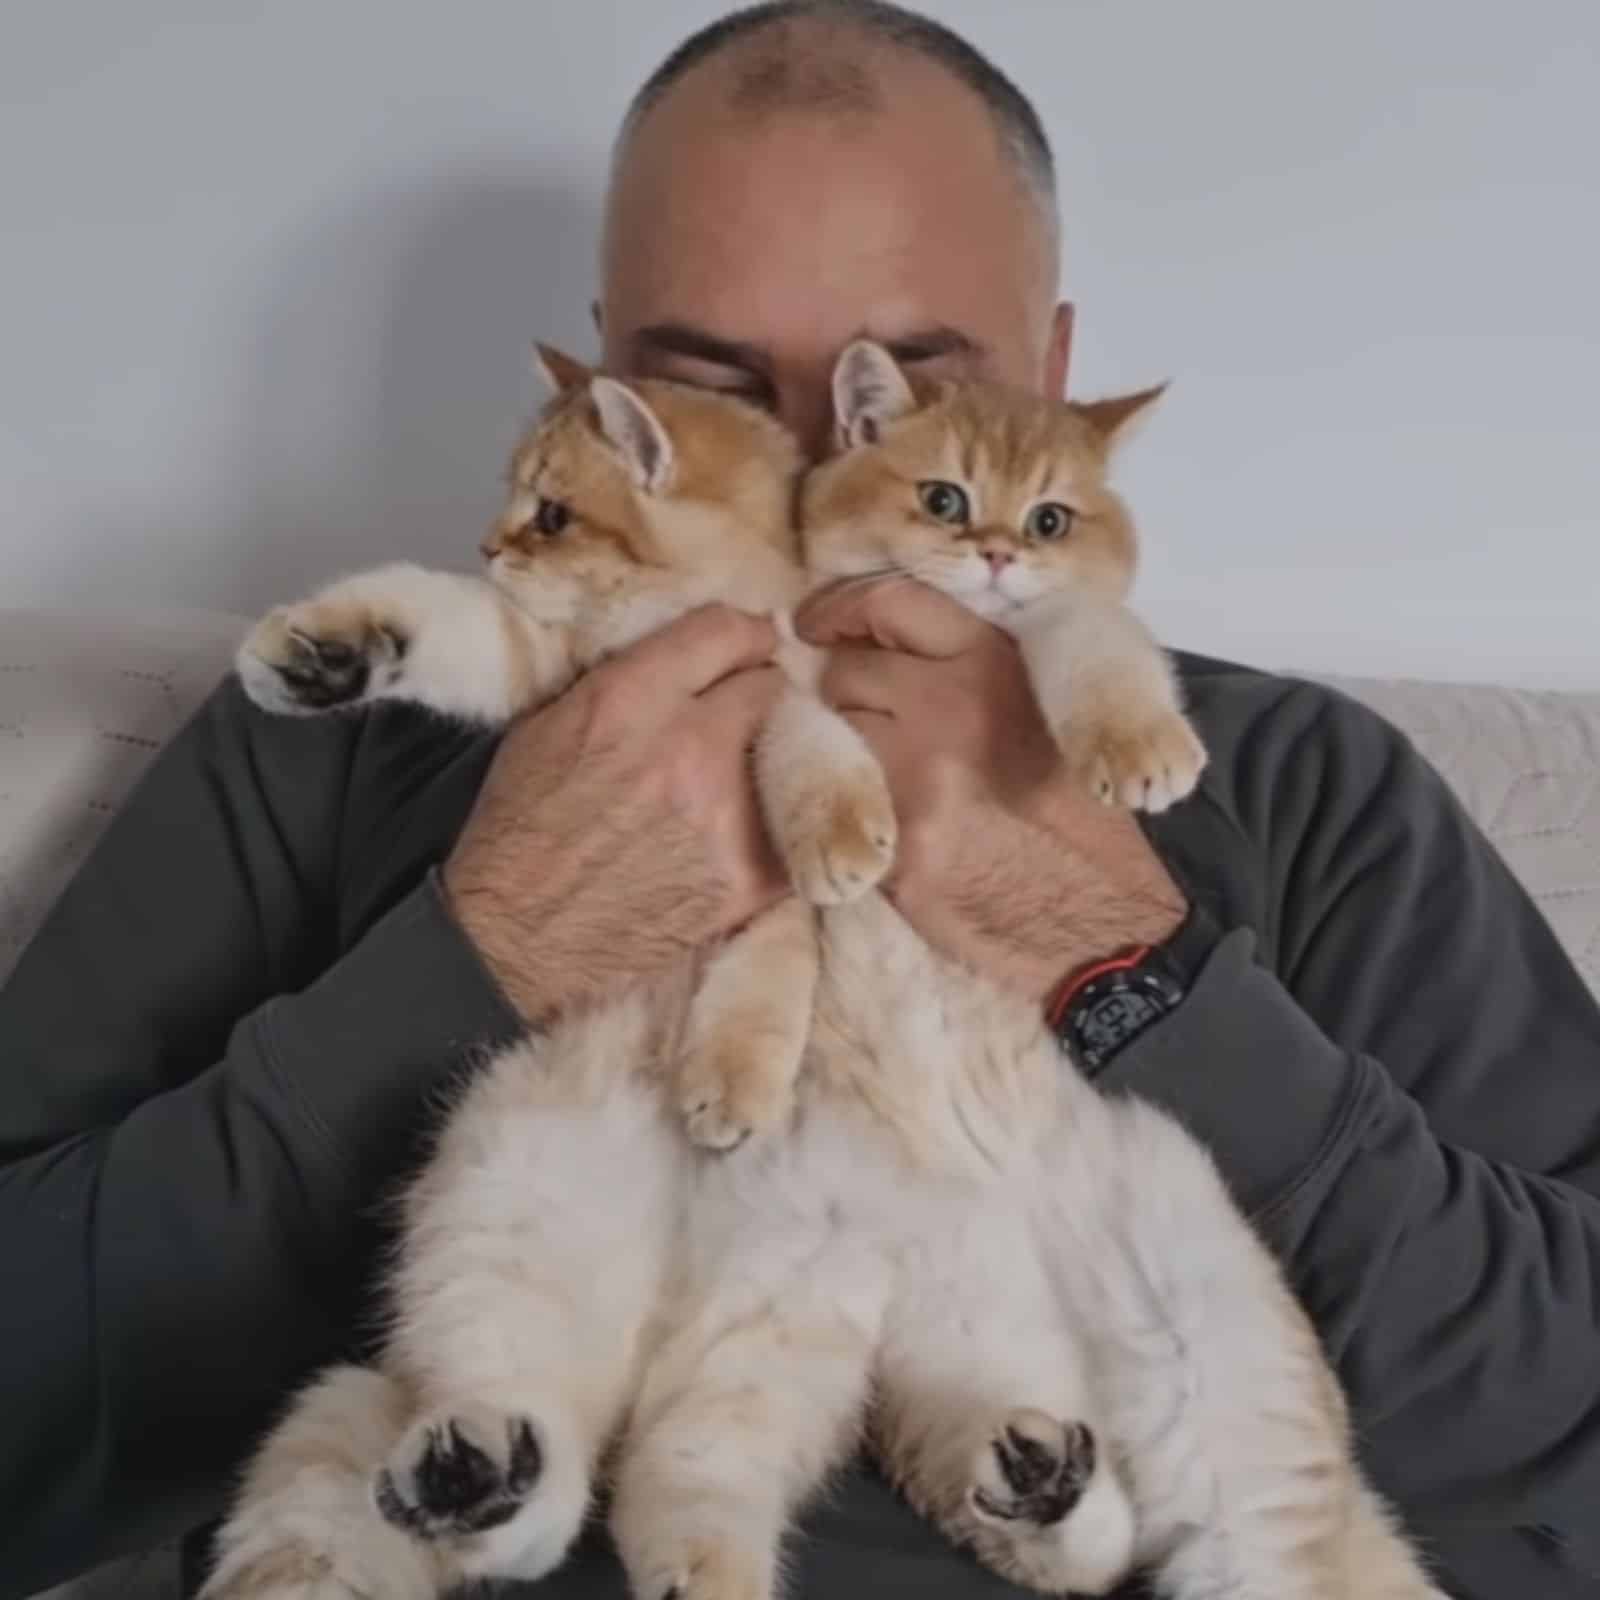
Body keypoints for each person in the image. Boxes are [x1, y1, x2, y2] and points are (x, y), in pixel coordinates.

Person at [3, 4, 1597, 1597]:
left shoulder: (1291, 778)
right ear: (607, 379)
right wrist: (480, 956)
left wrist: (1124, 966)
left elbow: (1573, 1431)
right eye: (708, 393)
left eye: (901, 391)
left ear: (1045, 380)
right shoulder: (350, 716)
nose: (801, 477)